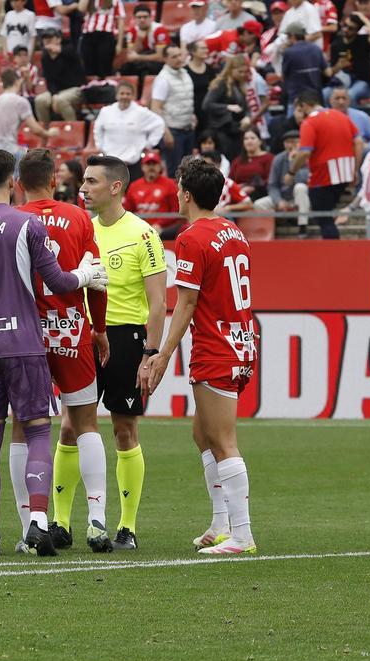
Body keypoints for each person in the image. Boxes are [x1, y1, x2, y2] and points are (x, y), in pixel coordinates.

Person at [0, 148, 108, 557]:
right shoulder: (27, 223)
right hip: (25, 343)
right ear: (12, 182)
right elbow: (57, 279)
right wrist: (85, 274)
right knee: (38, 431)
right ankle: (39, 522)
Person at [0, 148, 112, 552]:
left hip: (23, 336)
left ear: (19, 184)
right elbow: (96, 278)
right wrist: (98, 328)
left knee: (23, 427)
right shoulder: (79, 217)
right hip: (70, 331)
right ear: (53, 180)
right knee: (86, 424)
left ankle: (31, 527)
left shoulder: (10, 221)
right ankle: (97, 521)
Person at [146, 156, 258, 555]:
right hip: (241, 340)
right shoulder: (233, 231)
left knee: (222, 440)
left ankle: (241, 535)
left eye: (178, 187)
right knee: (202, 434)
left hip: (217, 345)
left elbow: (188, 303)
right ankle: (220, 523)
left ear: (188, 194)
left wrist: (160, 354)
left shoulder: (192, 238)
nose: (175, 193)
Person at [75, 153, 168, 551]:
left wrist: (151, 353)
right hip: (85, 337)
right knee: (70, 428)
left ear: (115, 187)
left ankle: (127, 526)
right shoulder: (82, 231)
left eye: (91, 182)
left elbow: (160, 302)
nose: (82, 189)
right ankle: (61, 522)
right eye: (82, 181)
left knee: (123, 430)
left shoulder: (144, 235)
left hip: (127, 337)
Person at [288, 90, 363, 239]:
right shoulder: (341, 115)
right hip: (345, 173)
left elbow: (304, 153)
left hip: (323, 175)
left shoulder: (309, 122)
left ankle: (333, 252)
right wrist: (355, 169)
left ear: (303, 106)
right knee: (327, 214)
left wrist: (291, 172)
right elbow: (359, 142)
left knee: (323, 217)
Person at [93, 82, 165, 182]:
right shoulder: (106, 111)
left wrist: (148, 145)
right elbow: (97, 129)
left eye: (128, 94)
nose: (125, 96)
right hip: (110, 162)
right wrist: (100, 146)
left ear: (133, 96)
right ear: (117, 95)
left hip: (133, 163)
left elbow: (159, 123)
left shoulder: (141, 112)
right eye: (122, 93)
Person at [0, 69, 57, 157]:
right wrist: (49, 133)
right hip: (8, 150)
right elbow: (35, 129)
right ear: (17, 82)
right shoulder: (21, 101)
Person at [254, 129, 311, 233]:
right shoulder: (278, 159)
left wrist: (294, 162)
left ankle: (303, 225)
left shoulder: (307, 158)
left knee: (300, 187)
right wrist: (278, 200)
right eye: (288, 142)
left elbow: (303, 180)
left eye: (294, 142)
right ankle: (279, 223)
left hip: (301, 198)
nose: (291, 145)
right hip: (283, 197)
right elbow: (272, 185)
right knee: (259, 204)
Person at [151, 45, 195, 174]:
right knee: (175, 171)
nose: (178, 59)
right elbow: (155, 107)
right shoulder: (163, 79)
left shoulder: (185, 73)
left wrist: (192, 115)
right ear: (165, 59)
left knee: (189, 171)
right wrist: (166, 132)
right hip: (173, 131)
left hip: (188, 129)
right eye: (173, 56)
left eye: (179, 55)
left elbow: (185, 99)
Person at [203, 55, 252, 159]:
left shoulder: (240, 85)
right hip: (222, 130)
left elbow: (245, 107)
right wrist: (227, 107)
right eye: (240, 72)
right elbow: (206, 105)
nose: (243, 75)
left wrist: (247, 117)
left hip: (237, 129)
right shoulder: (221, 83)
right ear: (231, 69)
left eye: (245, 72)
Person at [124, 149, 182, 236]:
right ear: (142, 167)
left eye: (154, 164)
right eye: (148, 164)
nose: (151, 167)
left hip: (163, 230)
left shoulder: (170, 185)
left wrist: (159, 224)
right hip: (138, 229)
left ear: (160, 166)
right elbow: (127, 211)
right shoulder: (134, 186)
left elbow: (176, 211)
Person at [35, 29, 85, 124]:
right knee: (40, 100)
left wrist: (59, 50)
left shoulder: (69, 49)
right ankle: (45, 131)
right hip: (58, 91)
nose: (47, 40)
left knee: (61, 100)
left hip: (75, 89)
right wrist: (54, 94)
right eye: (45, 38)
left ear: (58, 39)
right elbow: (49, 80)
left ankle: (73, 128)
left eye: (50, 38)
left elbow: (73, 54)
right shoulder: (45, 57)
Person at [280, 23, 327, 107]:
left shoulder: (289, 52)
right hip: (316, 99)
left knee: (293, 120)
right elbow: (327, 73)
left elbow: (283, 77)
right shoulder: (316, 49)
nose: (287, 40)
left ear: (293, 36)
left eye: (288, 37)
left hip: (297, 101)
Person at [78, 0, 126, 78]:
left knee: (104, 68)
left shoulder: (115, 1)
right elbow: (81, 8)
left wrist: (119, 44)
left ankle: (104, 88)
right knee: (88, 68)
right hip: (88, 35)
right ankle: (92, 88)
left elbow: (121, 21)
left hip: (106, 36)